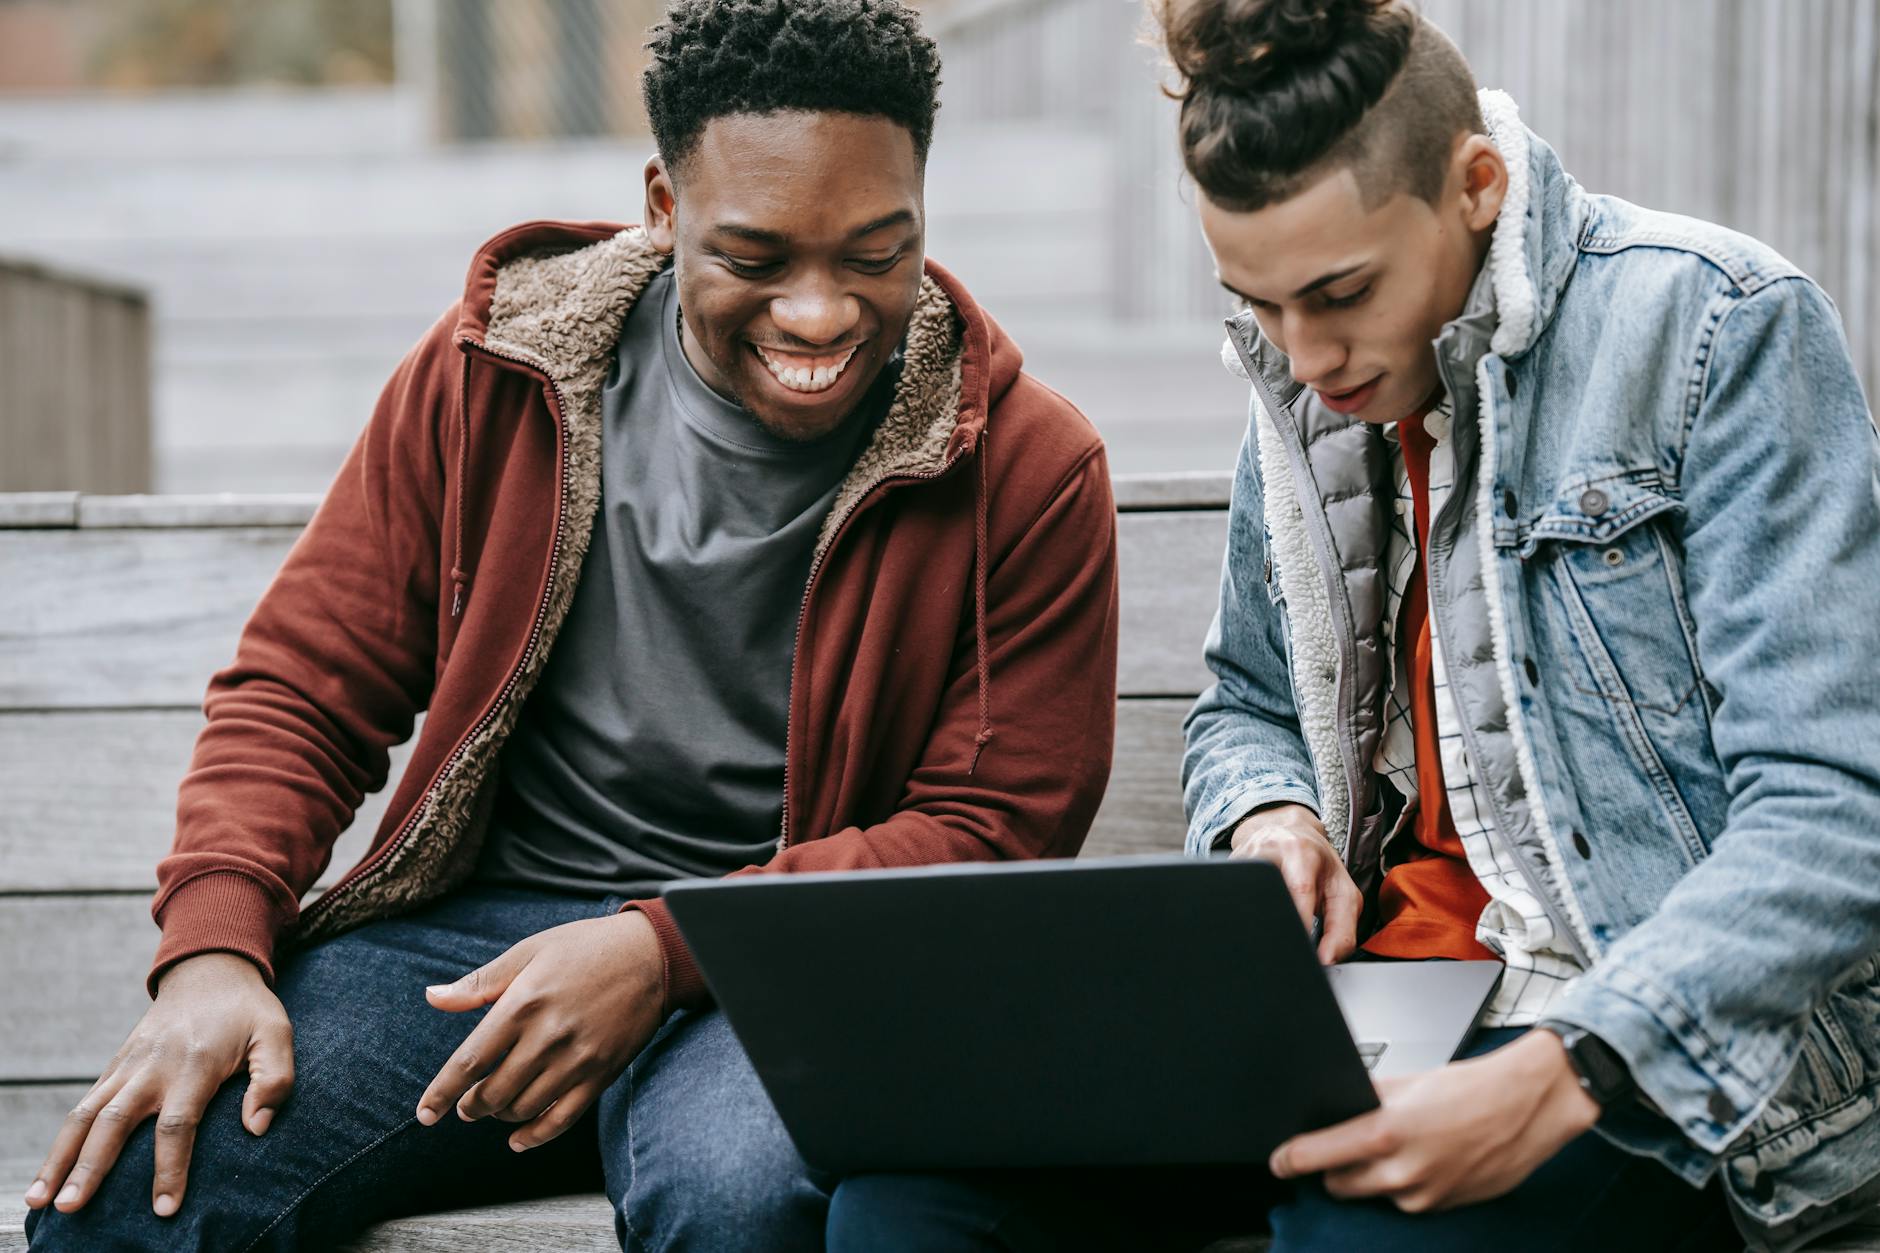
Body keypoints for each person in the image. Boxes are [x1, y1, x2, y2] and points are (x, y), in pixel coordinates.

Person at [21, 1, 1120, 1248]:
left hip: (788, 965)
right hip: (479, 944)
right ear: (663, 204)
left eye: (875, 253)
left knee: (751, 1204)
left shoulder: (1025, 465)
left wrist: (663, 946)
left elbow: (989, 829)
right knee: (133, 1186)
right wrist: (213, 948)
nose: (819, 314)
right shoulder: (499, 368)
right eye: (755, 257)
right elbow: (304, 687)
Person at [825, 2, 1880, 1250]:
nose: (1304, 353)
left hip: (1646, 1053)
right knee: (907, 1209)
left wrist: (1560, 1071)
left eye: (1339, 292)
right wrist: (1273, 815)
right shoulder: (1308, 383)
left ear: (1475, 185)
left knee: (1351, 1240)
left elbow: (1831, 811)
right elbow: (1246, 705)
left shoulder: (1714, 326)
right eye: (1257, 304)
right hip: (1370, 1008)